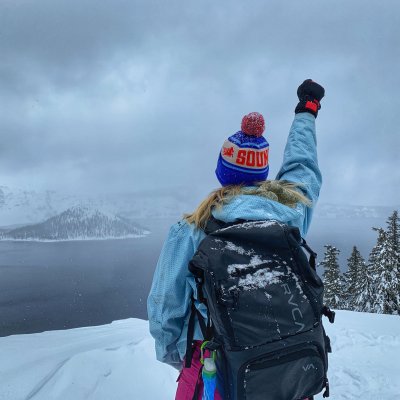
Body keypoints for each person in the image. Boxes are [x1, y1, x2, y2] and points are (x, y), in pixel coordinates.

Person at [148, 79, 325, 399]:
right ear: (263, 172)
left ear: (222, 171)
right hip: (285, 371)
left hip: (213, 368)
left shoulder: (191, 229)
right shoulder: (289, 216)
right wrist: (306, 112)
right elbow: (304, 168)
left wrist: (178, 357)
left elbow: (165, 308)